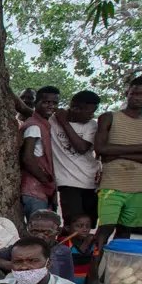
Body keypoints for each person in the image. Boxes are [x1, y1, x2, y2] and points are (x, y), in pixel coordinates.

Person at [93, 74, 142, 245]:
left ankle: (116, 262)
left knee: (125, 232)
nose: (139, 97)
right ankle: (97, 262)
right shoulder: (109, 117)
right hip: (111, 184)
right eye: (135, 93)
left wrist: (119, 154)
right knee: (105, 229)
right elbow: (101, 149)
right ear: (127, 93)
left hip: (138, 186)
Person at [50, 89, 102, 225]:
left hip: (90, 181)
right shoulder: (52, 120)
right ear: (75, 108)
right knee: (72, 224)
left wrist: (64, 123)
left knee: (88, 224)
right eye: (89, 111)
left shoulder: (91, 125)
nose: (92, 115)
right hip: (68, 183)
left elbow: (82, 148)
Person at [19, 86, 58, 216]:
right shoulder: (34, 126)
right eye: (46, 102)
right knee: (39, 225)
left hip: (38, 189)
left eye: (54, 103)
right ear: (36, 103)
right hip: (34, 189)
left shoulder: (44, 124)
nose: (51, 106)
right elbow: (27, 158)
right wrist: (47, 183)